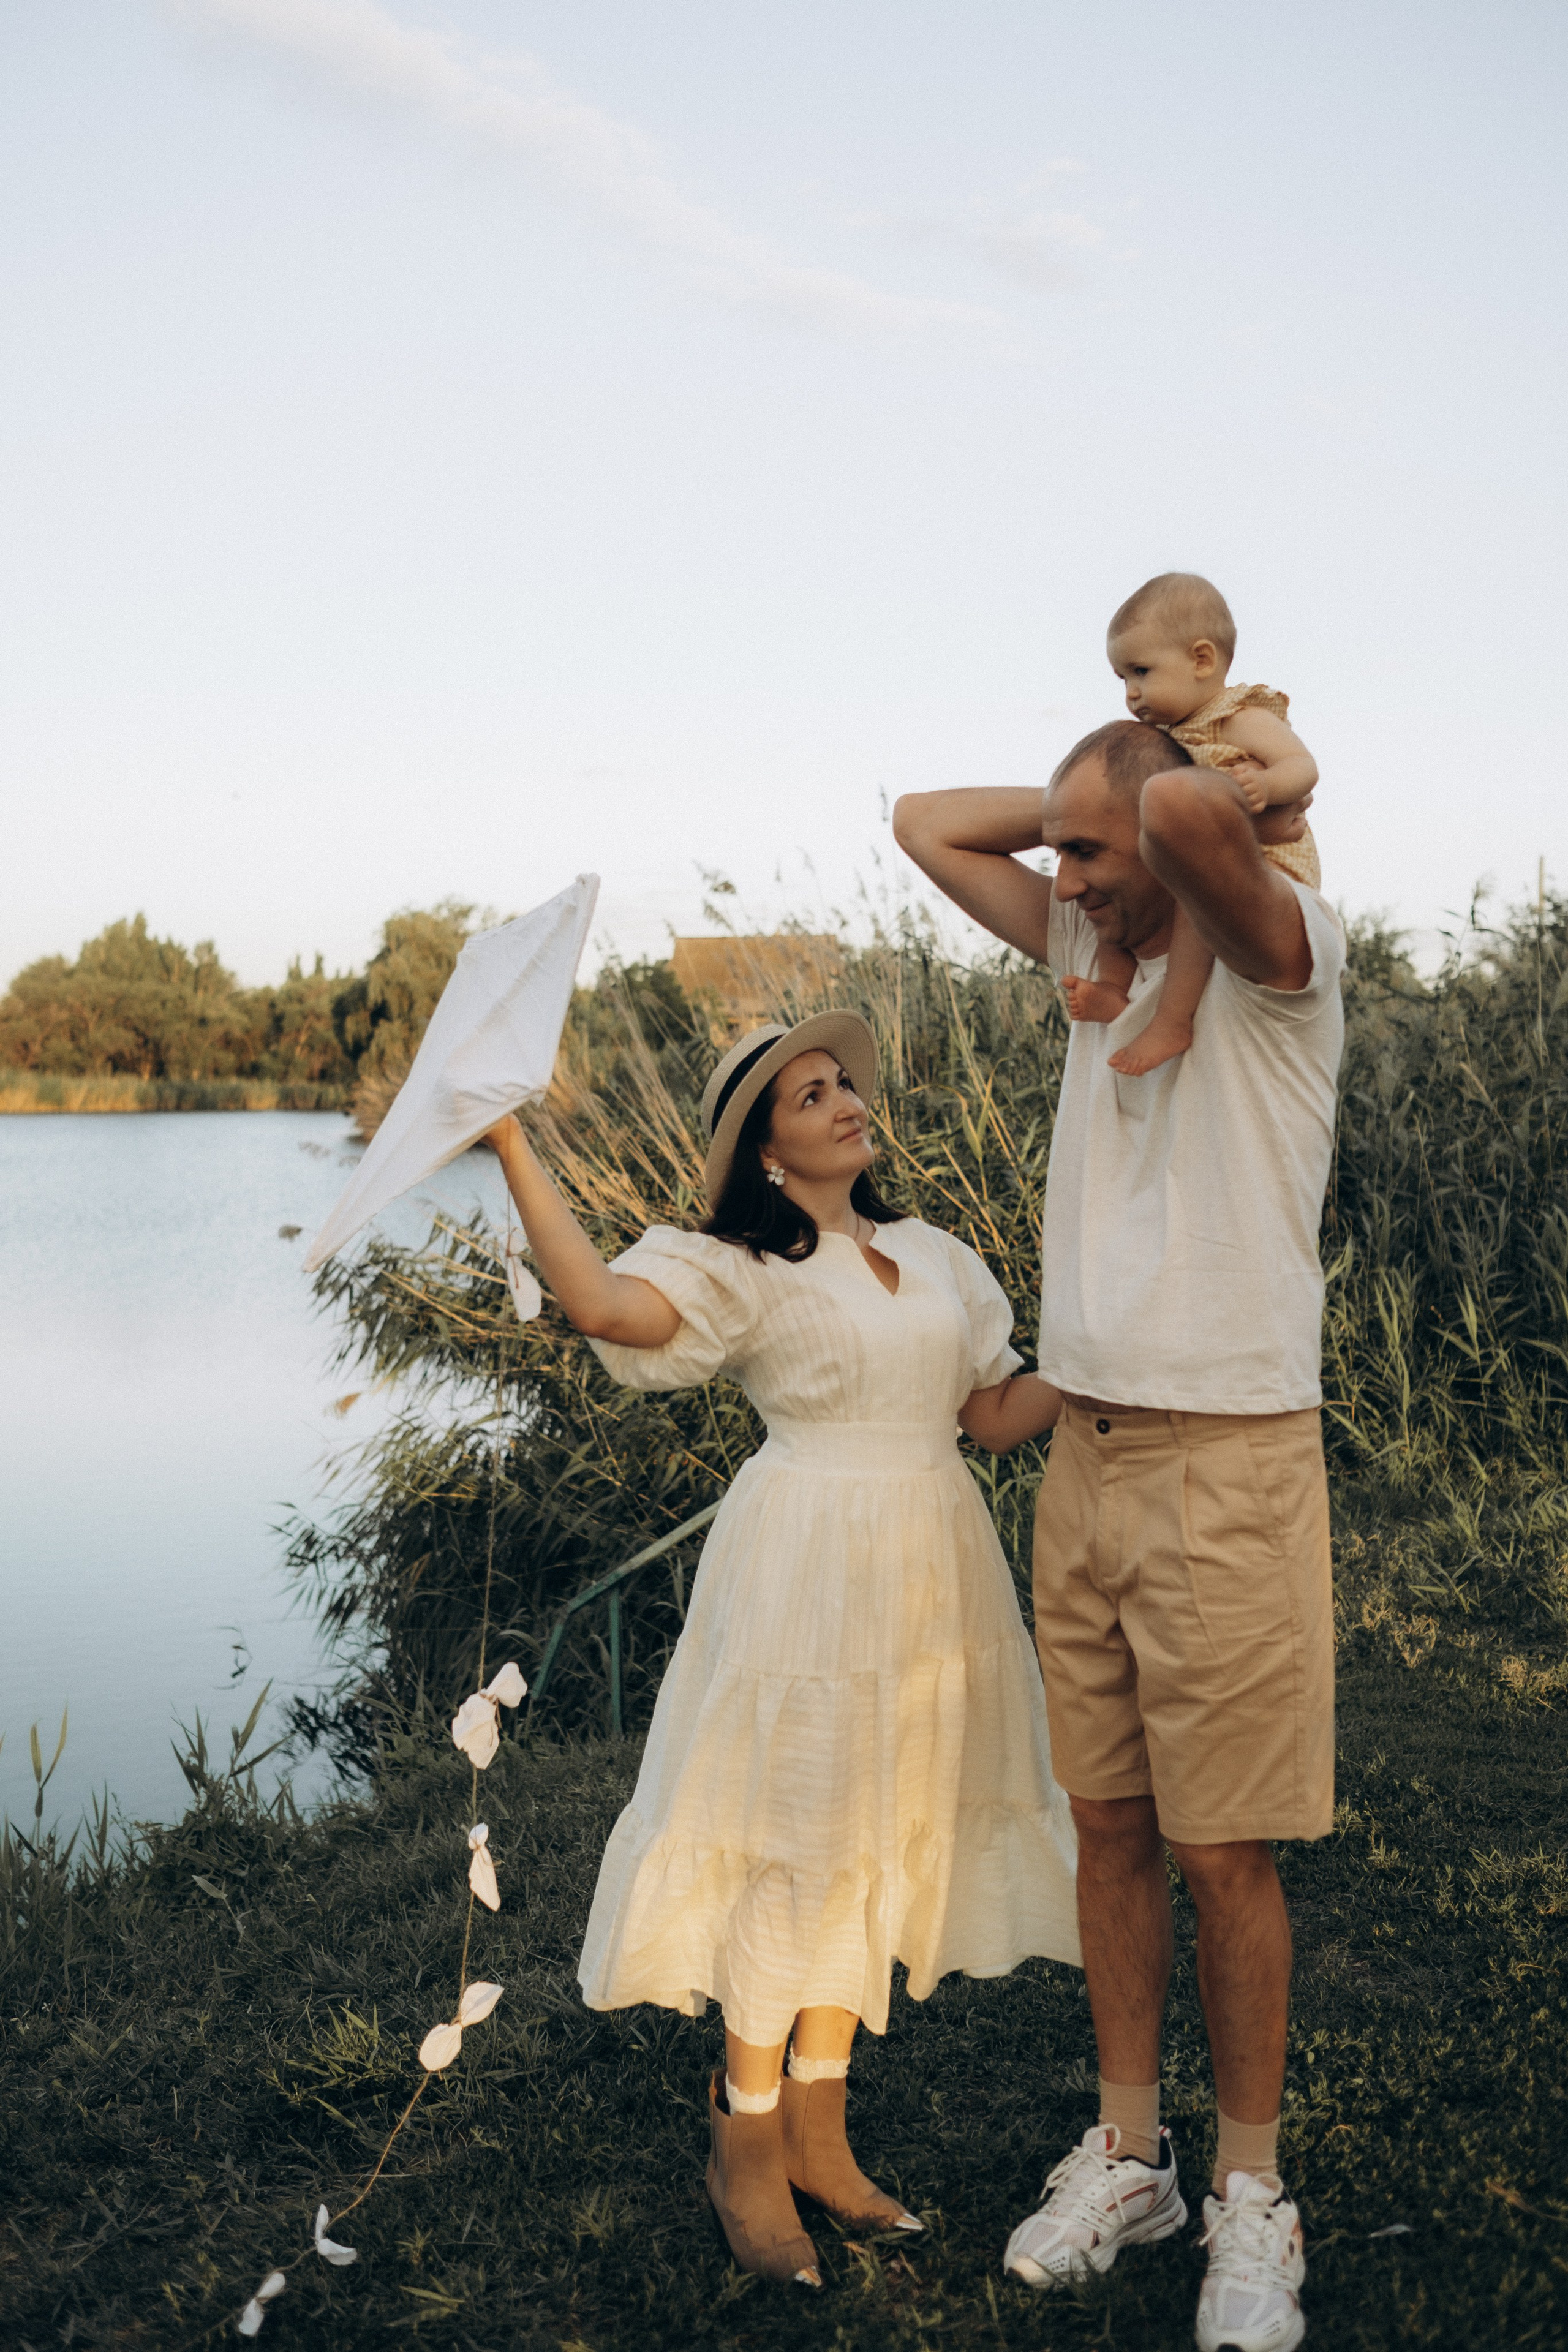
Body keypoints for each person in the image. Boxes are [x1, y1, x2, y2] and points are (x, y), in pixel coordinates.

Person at [483, 1011, 1080, 2288]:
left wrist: (1097, 1363)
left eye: (842, 1084)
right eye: (808, 1097)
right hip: (805, 1571)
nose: (843, 1102)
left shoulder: (934, 1254)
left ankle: (820, 2124)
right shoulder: (738, 1265)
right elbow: (595, 1304)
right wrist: (507, 1144)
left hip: (931, 1557)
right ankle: (742, 2143)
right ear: (762, 1151)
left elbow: (988, 1415)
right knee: (796, 1834)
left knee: (879, 1819)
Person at [894, 718, 1343, 2352]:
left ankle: (1250, 2193)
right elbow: (925, 822)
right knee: (1112, 1831)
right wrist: (1093, 807)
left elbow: (1189, 824)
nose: (1060, 878)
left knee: (1228, 1853)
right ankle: (1135, 2156)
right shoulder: (1095, 939)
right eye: (1064, 853)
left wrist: (1188, 783)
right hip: (1080, 1454)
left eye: (1089, 851)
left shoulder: (1283, 950)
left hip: (1226, 1465)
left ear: (1187, 828)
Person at [1065, 572, 1321, 1078]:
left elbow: (1304, 767)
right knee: (1121, 886)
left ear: (1202, 660)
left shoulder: (1234, 717)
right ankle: (1117, 990)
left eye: (1141, 671)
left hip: (1264, 865)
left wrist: (1268, 787)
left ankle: (1171, 1020)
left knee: (1190, 906)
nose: (1132, 694)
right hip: (1196, 851)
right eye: (1123, 680)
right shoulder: (1167, 738)